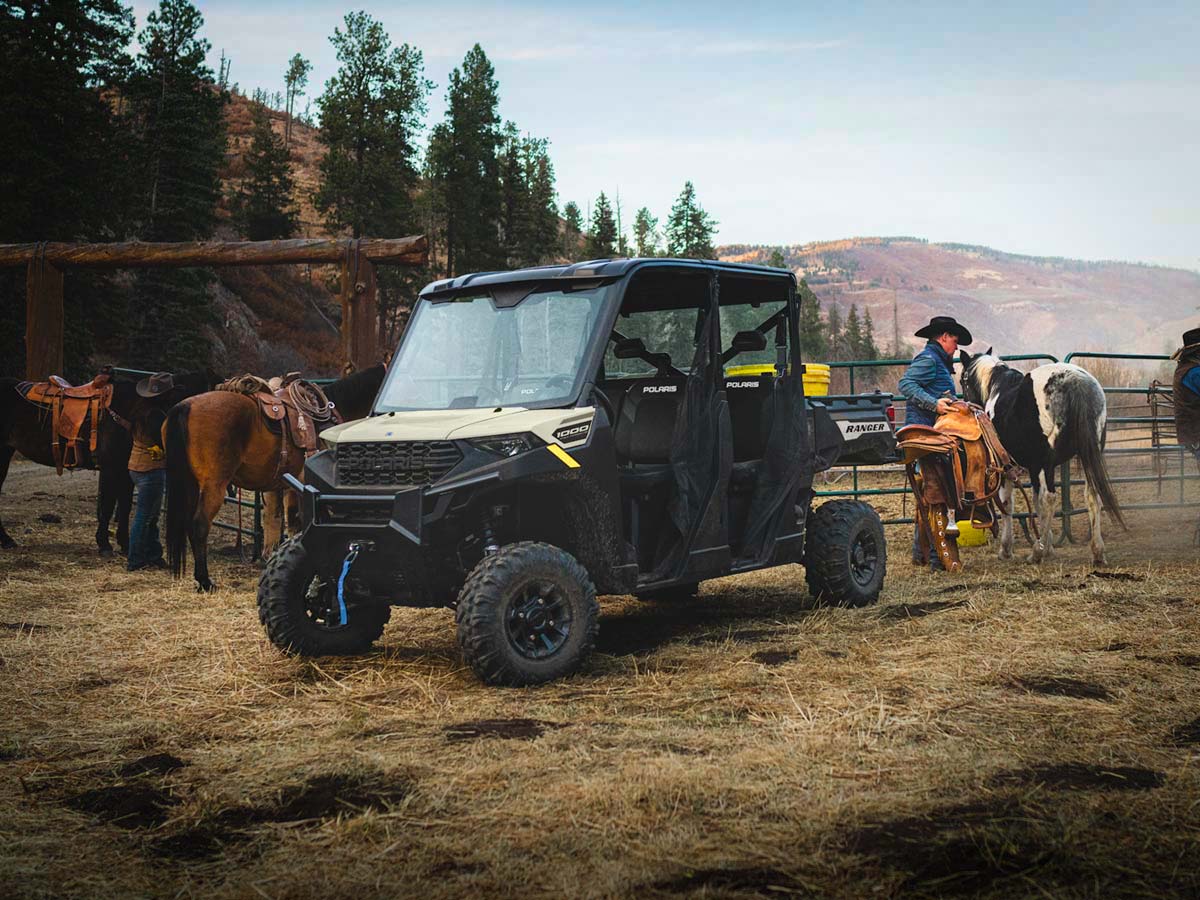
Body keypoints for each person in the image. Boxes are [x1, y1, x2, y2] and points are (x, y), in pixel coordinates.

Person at [898, 315, 973, 569]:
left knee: (930, 491)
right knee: (936, 490)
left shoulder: (936, 360)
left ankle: (922, 553)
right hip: (926, 435)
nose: (956, 346)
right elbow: (906, 384)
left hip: (930, 434)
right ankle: (936, 557)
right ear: (944, 337)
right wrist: (934, 404)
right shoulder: (929, 360)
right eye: (954, 340)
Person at [126, 373, 172, 571]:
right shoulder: (157, 416)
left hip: (136, 466)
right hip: (151, 469)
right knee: (145, 516)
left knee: (149, 515)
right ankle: (136, 560)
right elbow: (165, 443)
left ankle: (153, 554)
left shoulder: (139, 411)